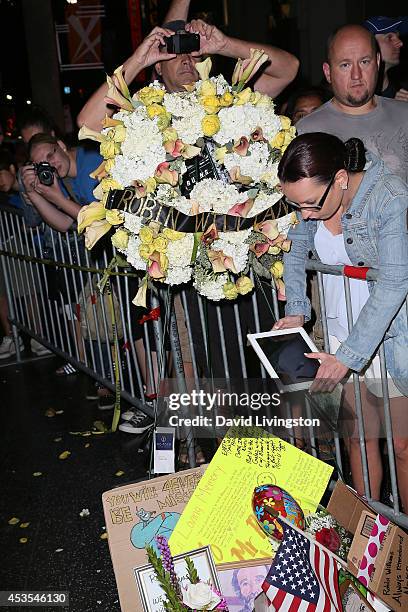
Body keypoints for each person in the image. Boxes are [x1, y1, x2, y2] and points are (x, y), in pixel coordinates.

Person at [274, 132, 408, 511]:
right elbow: (297, 251)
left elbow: (396, 281)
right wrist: (297, 308)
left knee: (402, 444)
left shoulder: (390, 198)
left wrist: (348, 355)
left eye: (310, 204)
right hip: (339, 337)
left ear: (341, 179)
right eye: (294, 205)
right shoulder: (310, 202)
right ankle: (371, 538)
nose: (303, 215)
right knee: (359, 439)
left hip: (391, 338)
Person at [77, 5, 299, 130]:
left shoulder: (229, 101)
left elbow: (288, 68)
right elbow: (88, 123)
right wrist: (139, 60)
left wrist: (225, 45)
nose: (185, 59)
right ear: (159, 68)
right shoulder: (141, 112)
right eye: (173, 53)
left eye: (193, 53)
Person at [296, 24, 408, 183]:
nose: (356, 75)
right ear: (328, 72)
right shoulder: (306, 132)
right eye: (345, 65)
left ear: (377, 62)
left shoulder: (405, 116)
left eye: (364, 62)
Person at [0, 150, 50, 359]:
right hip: (7, 245)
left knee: (29, 291)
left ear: (12, 169)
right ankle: (13, 337)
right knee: (4, 292)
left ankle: (38, 337)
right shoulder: (9, 194)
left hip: (21, 246)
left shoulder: (25, 188)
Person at [363, 15, 408, 101]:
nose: (400, 43)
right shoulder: (356, 95)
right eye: (389, 38)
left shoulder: (402, 91)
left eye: (398, 37)